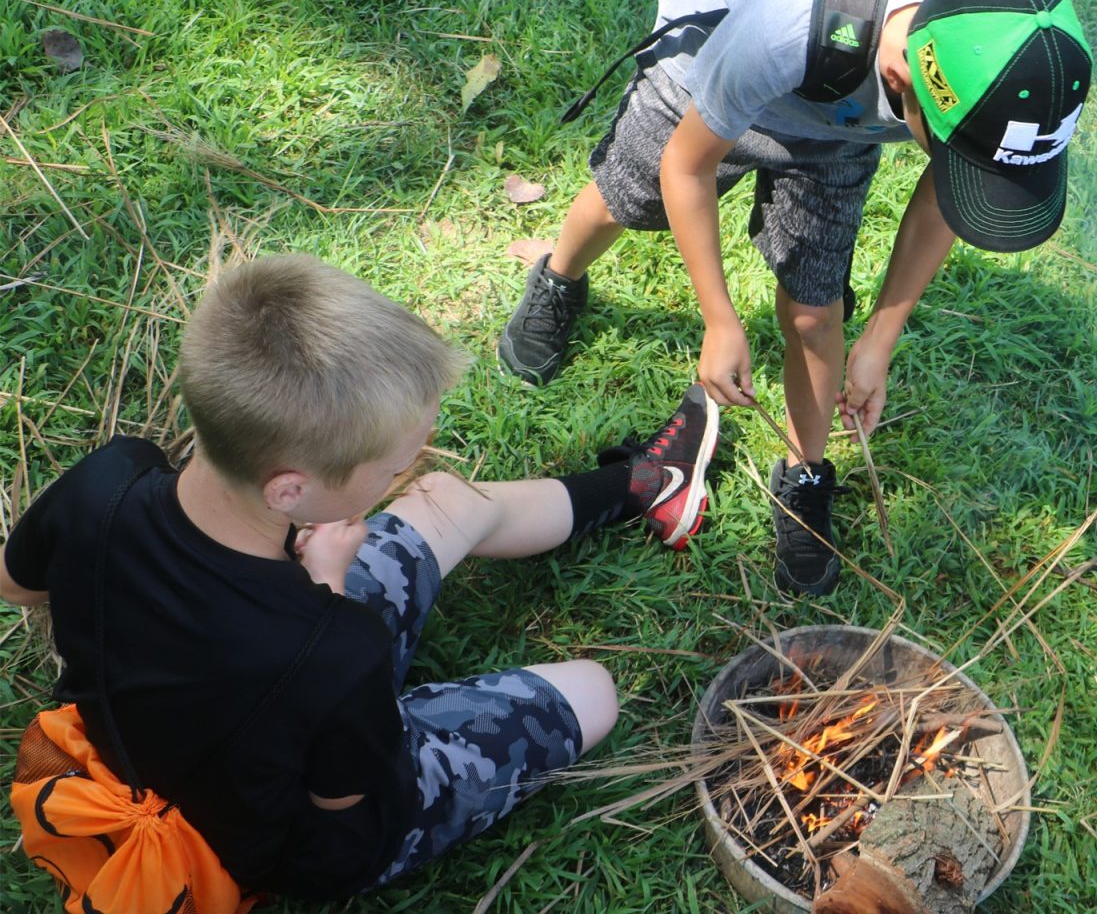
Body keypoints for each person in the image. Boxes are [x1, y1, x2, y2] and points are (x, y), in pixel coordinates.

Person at [0, 254, 717, 899]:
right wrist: (328, 597)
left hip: (188, 726)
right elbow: (348, 806)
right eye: (394, 467)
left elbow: (19, 584)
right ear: (289, 491)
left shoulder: (111, 480)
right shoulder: (334, 648)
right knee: (595, 691)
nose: (408, 472)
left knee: (445, 504)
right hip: (292, 845)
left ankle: (647, 486)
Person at [496, 0, 1093, 596]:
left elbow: (949, 190)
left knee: (816, 311)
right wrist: (719, 320)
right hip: (710, 83)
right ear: (907, 79)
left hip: (837, 129)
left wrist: (878, 338)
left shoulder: (1008, 62)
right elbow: (687, 166)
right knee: (626, 195)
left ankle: (806, 473)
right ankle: (558, 278)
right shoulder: (788, 22)